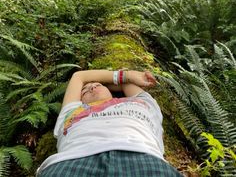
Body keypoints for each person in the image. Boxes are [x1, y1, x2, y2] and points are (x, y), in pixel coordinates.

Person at [37, 69, 183, 176]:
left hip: (144, 158)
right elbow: (78, 77)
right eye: (85, 91)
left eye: (98, 85)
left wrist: (123, 79)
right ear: (80, 99)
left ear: (111, 89)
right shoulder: (72, 110)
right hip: (72, 161)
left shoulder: (142, 102)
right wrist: (127, 75)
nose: (92, 87)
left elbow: (127, 84)